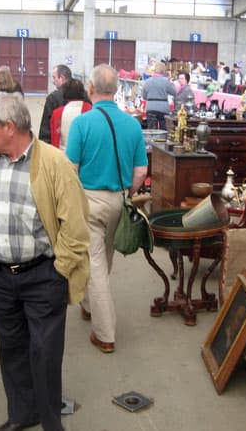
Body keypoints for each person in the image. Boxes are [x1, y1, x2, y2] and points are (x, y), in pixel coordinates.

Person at [0, 92, 90, 431]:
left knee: (45, 353)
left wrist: (59, 271)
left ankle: (51, 422)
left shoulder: (54, 164)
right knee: (11, 349)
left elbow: (76, 228)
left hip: (42, 276)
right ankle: (22, 415)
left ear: (9, 127)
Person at [66, 64, 148, 354]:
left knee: (95, 263)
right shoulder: (133, 125)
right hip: (120, 200)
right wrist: (128, 193)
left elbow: (70, 168)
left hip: (89, 200)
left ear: (90, 88)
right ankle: (90, 305)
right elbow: (141, 171)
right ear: (116, 90)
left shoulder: (81, 124)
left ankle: (105, 334)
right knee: (103, 258)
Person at [49, 78, 92, 150]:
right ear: (83, 92)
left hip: (62, 154)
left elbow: (54, 138)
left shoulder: (57, 113)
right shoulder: (90, 109)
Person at [39, 64, 72, 143]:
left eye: (54, 77)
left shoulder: (53, 98)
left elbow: (46, 130)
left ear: (62, 78)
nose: (53, 81)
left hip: (58, 145)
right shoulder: (84, 96)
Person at [142, 61, 176, 129]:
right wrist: (170, 80)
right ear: (164, 71)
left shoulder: (147, 81)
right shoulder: (166, 81)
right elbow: (174, 92)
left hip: (150, 107)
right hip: (163, 108)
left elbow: (144, 97)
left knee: (152, 130)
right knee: (164, 129)